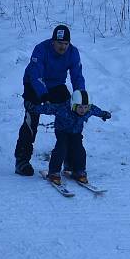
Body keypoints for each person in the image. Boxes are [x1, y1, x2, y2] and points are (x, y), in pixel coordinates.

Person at [14, 24, 85, 176]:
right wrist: (43, 95)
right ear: (53, 41)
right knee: (31, 119)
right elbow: (35, 74)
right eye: (60, 43)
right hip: (34, 84)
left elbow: (77, 76)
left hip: (56, 85)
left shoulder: (73, 53)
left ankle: (70, 159)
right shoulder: (41, 49)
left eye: (66, 44)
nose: (63, 47)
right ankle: (22, 160)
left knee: (70, 117)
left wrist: (81, 97)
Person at [26, 90, 111, 185]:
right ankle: (54, 172)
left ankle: (79, 171)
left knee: (79, 149)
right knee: (61, 148)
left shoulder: (89, 110)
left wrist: (104, 114)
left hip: (76, 132)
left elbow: (96, 111)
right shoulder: (62, 108)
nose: (83, 110)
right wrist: (33, 108)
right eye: (80, 107)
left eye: (86, 107)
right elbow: (48, 108)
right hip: (62, 131)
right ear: (73, 105)